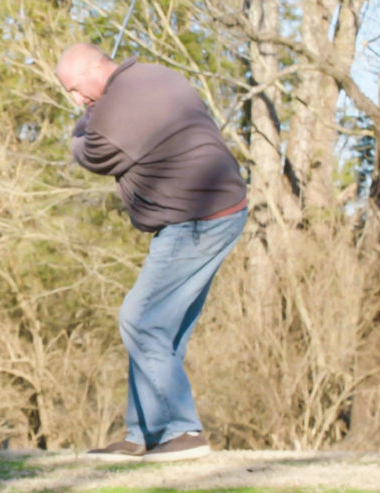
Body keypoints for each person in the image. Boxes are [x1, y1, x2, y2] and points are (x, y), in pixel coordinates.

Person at [56, 43, 247, 462]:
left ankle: (182, 431)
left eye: (73, 89)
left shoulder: (110, 113)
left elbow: (89, 154)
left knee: (140, 319)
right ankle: (144, 433)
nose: (75, 99)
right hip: (222, 210)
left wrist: (81, 124)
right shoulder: (159, 75)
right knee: (162, 328)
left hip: (196, 218)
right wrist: (93, 110)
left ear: (94, 71)